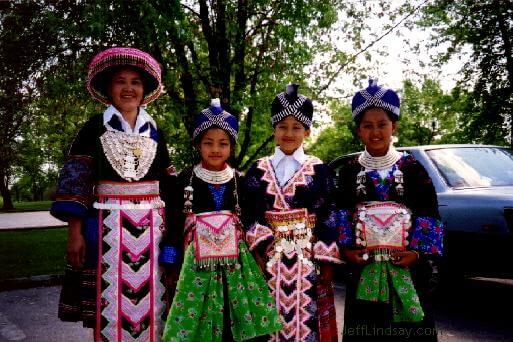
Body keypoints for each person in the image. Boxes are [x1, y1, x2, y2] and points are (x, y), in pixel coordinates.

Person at [50, 47, 177, 341]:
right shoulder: (94, 128)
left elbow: (168, 183)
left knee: (154, 303)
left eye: (136, 81)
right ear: (108, 87)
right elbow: (76, 180)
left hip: (152, 233)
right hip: (106, 229)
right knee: (107, 304)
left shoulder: (155, 131)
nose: (129, 88)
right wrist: (75, 233)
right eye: (121, 81)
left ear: (145, 89)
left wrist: (174, 232)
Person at [162, 99, 282, 341]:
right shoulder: (183, 181)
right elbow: (173, 225)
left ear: (232, 147)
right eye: (208, 143)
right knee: (198, 324)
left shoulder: (242, 181)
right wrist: (171, 267)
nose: (215, 149)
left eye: (223, 144)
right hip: (194, 268)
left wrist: (259, 256)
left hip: (237, 269)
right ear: (197, 144)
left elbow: (253, 220)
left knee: (233, 320)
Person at [337, 79, 443, 341]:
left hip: (406, 269)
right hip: (364, 270)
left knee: (408, 330)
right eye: (367, 126)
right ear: (358, 130)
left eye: (382, 124)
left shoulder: (412, 168)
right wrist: (348, 250)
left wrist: (416, 254)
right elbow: (340, 212)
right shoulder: (350, 171)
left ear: (393, 126)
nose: (375, 132)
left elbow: (429, 214)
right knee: (367, 328)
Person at [243, 84, 341, 341]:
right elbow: (250, 210)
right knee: (268, 322)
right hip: (268, 260)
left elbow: (330, 211)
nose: (289, 133)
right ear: (274, 129)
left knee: (308, 320)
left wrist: (325, 257)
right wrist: (259, 248)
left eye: (296, 127)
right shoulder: (257, 169)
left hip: (308, 261)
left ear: (307, 131)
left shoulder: (320, 170)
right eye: (282, 126)